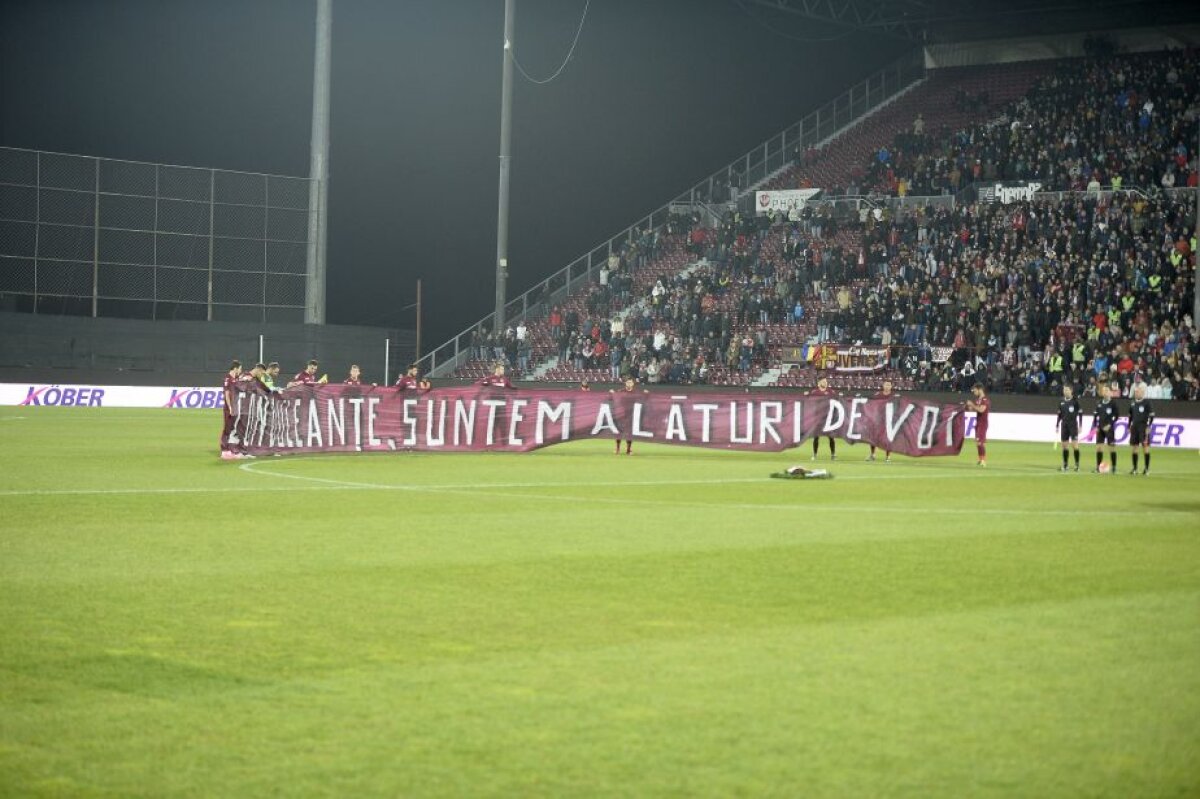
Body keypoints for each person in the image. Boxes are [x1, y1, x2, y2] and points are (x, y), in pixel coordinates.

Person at [609, 376, 647, 455]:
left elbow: (643, 399)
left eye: (630, 382)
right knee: (619, 432)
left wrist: (646, 394)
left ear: (633, 384)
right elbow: (612, 398)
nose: (629, 384)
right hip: (621, 414)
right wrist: (612, 394)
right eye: (628, 382)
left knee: (629, 433)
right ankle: (617, 449)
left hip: (631, 415)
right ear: (625, 383)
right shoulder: (620, 391)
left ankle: (628, 450)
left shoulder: (636, 392)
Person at [806, 376, 837, 461]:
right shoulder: (815, 392)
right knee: (816, 437)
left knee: (831, 437)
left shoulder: (830, 391)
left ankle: (833, 454)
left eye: (826, 381)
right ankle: (815, 454)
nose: (825, 383)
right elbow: (809, 400)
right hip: (818, 418)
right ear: (819, 383)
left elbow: (836, 400)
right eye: (823, 381)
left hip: (828, 418)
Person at [1127, 383, 1155, 475]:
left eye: (1138, 392)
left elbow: (1151, 416)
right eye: (1135, 392)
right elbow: (1130, 416)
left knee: (1145, 447)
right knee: (1134, 448)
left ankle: (1146, 469)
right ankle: (1135, 469)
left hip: (1143, 427)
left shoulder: (1147, 402)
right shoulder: (1132, 403)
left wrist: (1149, 426)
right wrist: (1128, 426)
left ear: (1142, 393)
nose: (1136, 393)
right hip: (1134, 427)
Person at [867, 378, 897, 462]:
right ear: (883, 385)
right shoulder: (877, 395)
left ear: (891, 386)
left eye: (889, 385)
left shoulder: (894, 396)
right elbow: (872, 405)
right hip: (878, 419)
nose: (887, 386)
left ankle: (888, 456)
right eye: (886, 384)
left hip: (889, 420)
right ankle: (872, 455)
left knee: (888, 438)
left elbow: (897, 407)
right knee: (873, 437)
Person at [1092, 383, 1119, 474]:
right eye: (1104, 391)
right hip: (1100, 428)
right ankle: (1098, 467)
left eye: (1107, 390)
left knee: (1111, 447)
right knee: (1099, 448)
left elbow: (1116, 416)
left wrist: (1110, 425)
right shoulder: (1099, 403)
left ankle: (1114, 467)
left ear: (1110, 392)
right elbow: (1095, 416)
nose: (1105, 392)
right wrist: (1095, 426)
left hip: (1109, 428)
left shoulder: (1113, 403)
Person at [1055, 385, 1083, 471]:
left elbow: (1080, 413)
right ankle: (1065, 465)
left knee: (1074, 445)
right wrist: (1057, 425)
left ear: (1071, 391)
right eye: (1064, 390)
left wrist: (1080, 425)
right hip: (1064, 425)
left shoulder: (1075, 401)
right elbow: (1059, 414)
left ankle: (1077, 465)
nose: (1065, 391)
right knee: (1064, 446)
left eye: (1067, 390)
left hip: (1073, 425)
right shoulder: (1061, 401)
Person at [220, 360, 243, 460]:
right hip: (229, 408)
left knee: (234, 428)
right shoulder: (227, 378)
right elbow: (226, 394)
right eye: (240, 369)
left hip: (236, 407)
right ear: (235, 368)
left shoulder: (236, 378)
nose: (241, 371)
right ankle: (224, 450)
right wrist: (229, 407)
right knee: (227, 428)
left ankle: (231, 449)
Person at [964, 383, 990, 467]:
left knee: (980, 442)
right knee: (978, 442)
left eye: (975, 390)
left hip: (983, 423)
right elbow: (972, 409)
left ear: (980, 390)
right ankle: (980, 459)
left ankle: (983, 461)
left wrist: (972, 404)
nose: (974, 392)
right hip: (978, 423)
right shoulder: (978, 400)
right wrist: (966, 406)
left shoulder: (985, 400)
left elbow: (981, 410)